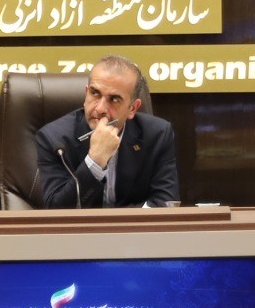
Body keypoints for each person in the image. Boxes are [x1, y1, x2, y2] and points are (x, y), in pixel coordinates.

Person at [34, 56, 180, 209]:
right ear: (86, 93)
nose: (100, 108)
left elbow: (166, 203)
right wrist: (95, 161)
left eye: (114, 99)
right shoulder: (54, 140)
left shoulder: (157, 134)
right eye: (95, 93)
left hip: (134, 225)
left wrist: (120, 223)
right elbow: (57, 210)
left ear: (133, 108)